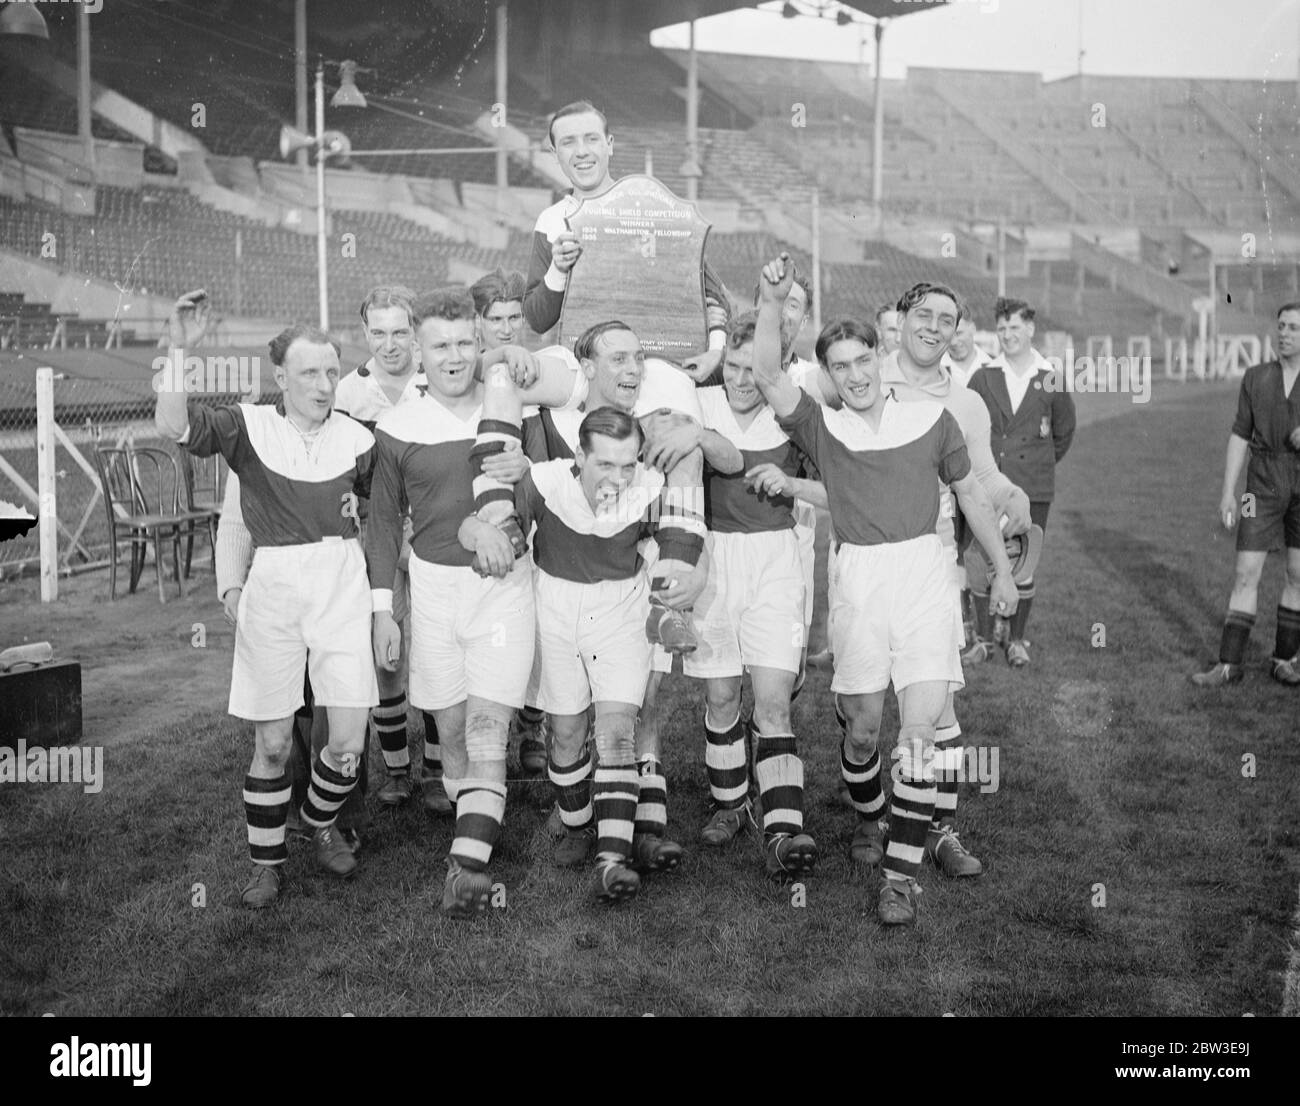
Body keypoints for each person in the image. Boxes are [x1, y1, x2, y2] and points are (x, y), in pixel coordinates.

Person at [750, 254, 1019, 926]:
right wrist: (768, 297)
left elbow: (971, 497)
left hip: (926, 578)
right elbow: (762, 372)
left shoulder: (932, 419)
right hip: (860, 584)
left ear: (881, 351)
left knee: (921, 732)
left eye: (862, 359)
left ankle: (900, 879)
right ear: (829, 374)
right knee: (865, 729)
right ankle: (875, 815)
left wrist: (1004, 573)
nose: (855, 373)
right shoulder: (822, 425)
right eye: (839, 366)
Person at [155, 291, 378, 909]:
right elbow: (173, 426)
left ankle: (320, 818)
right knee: (275, 743)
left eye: (332, 371)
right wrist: (178, 347)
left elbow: (381, 514)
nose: (325, 383)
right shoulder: (248, 428)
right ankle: (266, 864)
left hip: (341, 583)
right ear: (280, 376)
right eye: (309, 372)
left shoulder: (360, 440)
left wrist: (366, 519)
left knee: (347, 744)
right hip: (274, 587)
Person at [517, 321, 738, 871]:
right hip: (561, 592)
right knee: (567, 723)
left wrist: (689, 573)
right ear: (586, 368)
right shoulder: (550, 420)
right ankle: (577, 815)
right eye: (618, 360)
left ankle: (643, 828)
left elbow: (684, 515)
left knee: (640, 709)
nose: (634, 370)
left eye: (639, 358)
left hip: (634, 590)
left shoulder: (662, 418)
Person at [470, 406, 706, 904]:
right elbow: (500, 524)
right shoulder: (547, 481)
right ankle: (578, 825)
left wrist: (680, 580)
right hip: (555, 608)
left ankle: (611, 860)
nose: (619, 478)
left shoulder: (650, 486)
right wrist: (489, 537)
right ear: (579, 456)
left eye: (628, 464)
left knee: (617, 733)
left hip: (621, 609)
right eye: (606, 465)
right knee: (567, 736)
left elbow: (682, 537)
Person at [367, 288, 538, 917]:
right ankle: (475, 823)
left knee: (491, 727)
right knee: (455, 731)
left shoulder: (511, 410)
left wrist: (523, 481)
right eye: (440, 345)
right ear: (418, 348)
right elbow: (382, 522)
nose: (454, 355)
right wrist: (384, 608)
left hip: (502, 591)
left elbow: (542, 501)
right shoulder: (396, 428)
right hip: (435, 592)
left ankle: (467, 868)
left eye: (466, 341)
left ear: (481, 341)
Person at [871, 282, 1032, 879]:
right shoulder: (865, 378)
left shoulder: (965, 403)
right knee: (860, 716)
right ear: (902, 318)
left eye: (947, 319)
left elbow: (980, 477)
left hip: (934, 563)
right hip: (861, 563)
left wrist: (1010, 495)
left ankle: (937, 831)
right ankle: (870, 812)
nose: (934, 327)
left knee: (937, 710)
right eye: (923, 315)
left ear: (958, 330)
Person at [690, 313, 824, 881]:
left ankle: (783, 831)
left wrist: (791, 484)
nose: (742, 380)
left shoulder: (795, 417)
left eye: (754, 369)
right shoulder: (699, 406)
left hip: (776, 561)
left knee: (773, 701)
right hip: (713, 561)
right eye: (734, 367)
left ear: (780, 368)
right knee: (722, 697)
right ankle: (730, 804)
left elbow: (835, 489)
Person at [333, 286, 448, 814]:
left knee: (436, 647)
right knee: (388, 652)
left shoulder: (438, 381)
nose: (390, 344)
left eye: (400, 331)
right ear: (364, 334)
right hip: (376, 534)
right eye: (377, 332)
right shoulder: (348, 395)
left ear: (416, 331)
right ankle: (398, 769)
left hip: (431, 531)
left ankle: (438, 767)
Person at [215, 472, 367, 853]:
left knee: (340, 718)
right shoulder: (258, 422)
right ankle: (290, 820)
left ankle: (338, 821)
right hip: (281, 595)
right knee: (286, 719)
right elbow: (237, 513)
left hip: (339, 589)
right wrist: (232, 582)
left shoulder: (344, 426)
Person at [521, 100, 730, 346]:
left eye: (591, 139)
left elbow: (718, 297)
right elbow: (537, 320)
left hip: (653, 358)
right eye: (568, 142)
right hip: (581, 360)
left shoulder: (653, 209)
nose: (581, 151)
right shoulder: (552, 220)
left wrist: (713, 333)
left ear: (609, 145)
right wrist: (558, 269)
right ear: (555, 154)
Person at [1192, 302, 1300, 687]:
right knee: (1245, 572)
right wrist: (1227, 492)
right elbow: (1240, 434)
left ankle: (1284, 659)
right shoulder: (1256, 377)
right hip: (1261, 483)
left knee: (1297, 573)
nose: (1284, 333)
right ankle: (1228, 664)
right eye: (1281, 325)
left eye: (1293, 328)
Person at [965, 297, 1075, 667]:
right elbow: (968, 426)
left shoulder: (1051, 376)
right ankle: (982, 639)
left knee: (1023, 563)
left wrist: (1034, 467)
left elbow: (1064, 431)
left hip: (1033, 486)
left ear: (1030, 329)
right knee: (982, 560)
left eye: (1014, 327)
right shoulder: (983, 376)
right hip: (985, 485)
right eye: (1001, 329)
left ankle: (1016, 640)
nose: (1007, 335)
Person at [470, 267, 549, 776]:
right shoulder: (470, 367)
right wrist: (500, 356)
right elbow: (480, 367)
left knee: (541, 622)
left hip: (536, 499)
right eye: (495, 318)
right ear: (478, 322)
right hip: (487, 507)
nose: (505, 327)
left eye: (514, 317)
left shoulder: (536, 367)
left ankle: (532, 724)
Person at [941, 305, 993, 388]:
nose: (953, 342)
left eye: (959, 333)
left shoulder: (994, 367)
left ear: (973, 328)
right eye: (949, 336)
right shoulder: (933, 370)